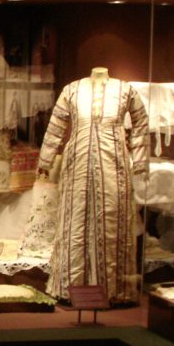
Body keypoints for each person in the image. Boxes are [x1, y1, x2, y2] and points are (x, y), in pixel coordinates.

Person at [37, 67, 148, 304]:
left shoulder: (125, 90)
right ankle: (72, 288)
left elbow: (140, 120)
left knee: (112, 218)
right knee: (75, 220)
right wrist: (46, 160)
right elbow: (56, 125)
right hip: (78, 161)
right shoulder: (72, 89)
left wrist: (139, 161)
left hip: (114, 162)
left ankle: (113, 290)